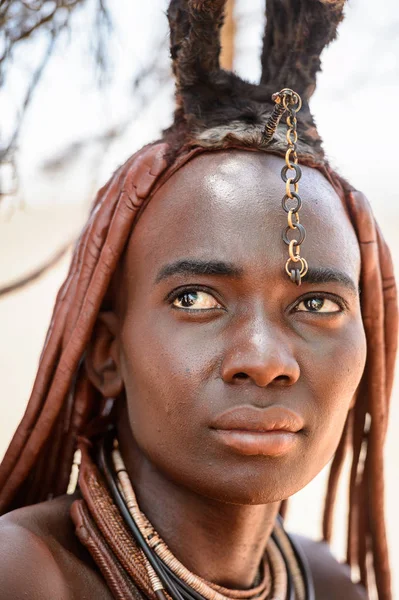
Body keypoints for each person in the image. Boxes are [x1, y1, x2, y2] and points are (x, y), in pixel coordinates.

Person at [0, 1, 397, 599]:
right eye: (195, 298)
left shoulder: (330, 586)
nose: (265, 361)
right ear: (107, 353)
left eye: (316, 304)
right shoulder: (25, 577)